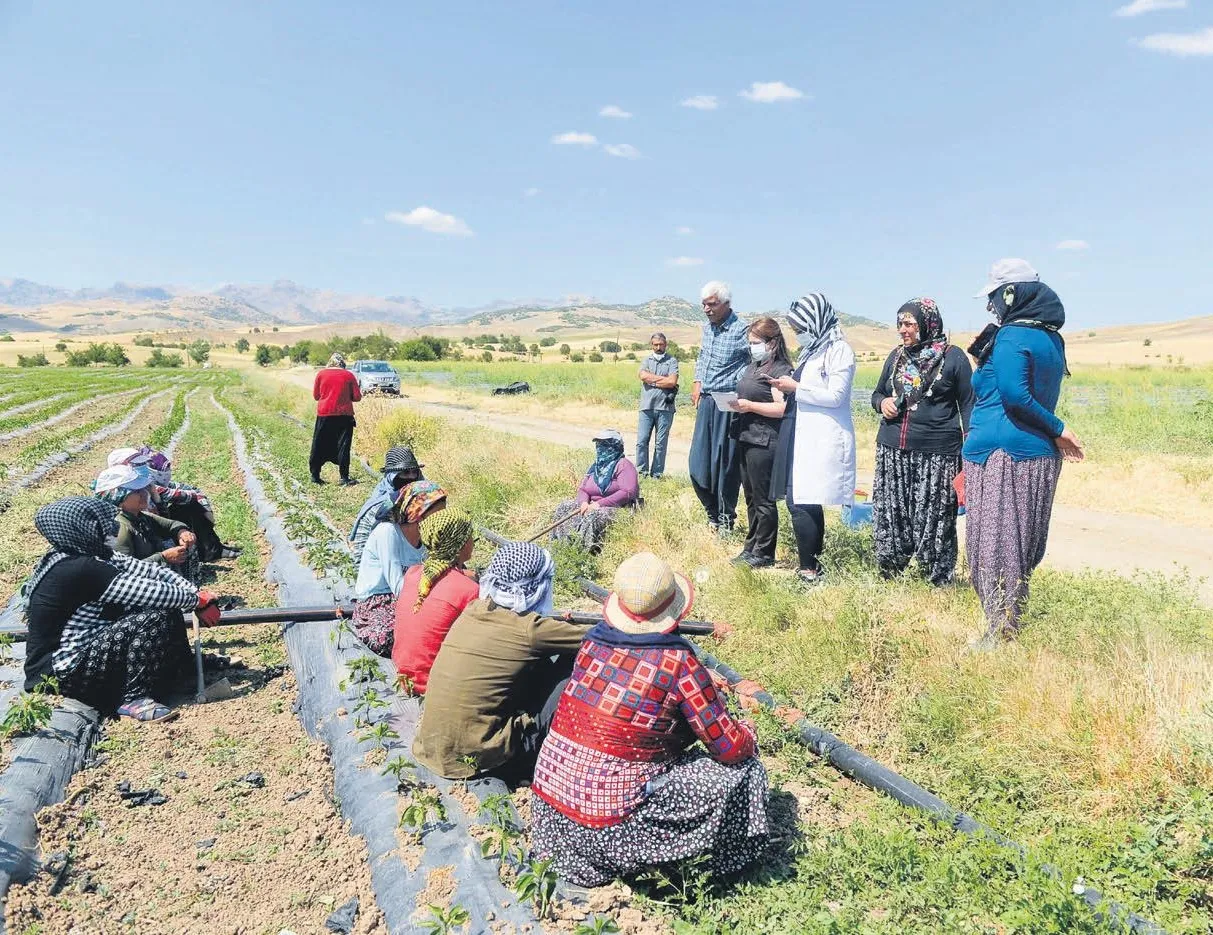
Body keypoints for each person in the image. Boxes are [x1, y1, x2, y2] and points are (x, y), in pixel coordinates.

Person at [531, 551, 769, 887]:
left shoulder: (591, 643)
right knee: (746, 770)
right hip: (608, 829)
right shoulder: (677, 661)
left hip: (551, 821)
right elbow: (729, 747)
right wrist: (748, 731)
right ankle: (723, 866)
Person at [965, 259, 1084, 643]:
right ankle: (1009, 628)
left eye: (995, 297)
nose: (991, 306)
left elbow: (1016, 397)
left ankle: (999, 635)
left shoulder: (1014, 336)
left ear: (1012, 294)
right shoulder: (1050, 337)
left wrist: (1060, 427)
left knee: (996, 547)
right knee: (1020, 544)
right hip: (1033, 454)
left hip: (1002, 454)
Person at [21, 497, 221, 723]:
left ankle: (183, 668)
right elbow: (146, 591)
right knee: (154, 616)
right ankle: (132, 698)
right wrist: (196, 601)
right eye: (100, 524)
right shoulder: (76, 568)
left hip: (88, 648)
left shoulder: (91, 553)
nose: (111, 528)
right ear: (81, 528)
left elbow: (150, 573)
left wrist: (195, 593)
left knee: (165, 605)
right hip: (61, 670)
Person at [413, 541, 584, 780]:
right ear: (539, 586)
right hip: (480, 758)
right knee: (573, 662)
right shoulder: (532, 629)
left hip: (431, 748)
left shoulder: (475, 609)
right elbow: (599, 638)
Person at [869, 298, 975, 585]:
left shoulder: (954, 358)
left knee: (935, 516)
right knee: (892, 511)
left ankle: (937, 578)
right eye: (900, 324)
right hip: (892, 449)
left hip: (938, 453)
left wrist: (971, 450)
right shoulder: (896, 357)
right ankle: (891, 572)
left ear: (927, 324)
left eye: (909, 324)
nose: (903, 330)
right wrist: (883, 403)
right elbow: (876, 395)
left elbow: (968, 406)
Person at [769, 294, 857, 586]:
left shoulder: (839, 350)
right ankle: (810, 566)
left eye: (800, 327)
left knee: (803, 500)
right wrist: (786, 390)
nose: (798, 334)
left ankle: (810, 570)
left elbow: (836, 396)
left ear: (816, 321)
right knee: (799, 498)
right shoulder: (811, 351)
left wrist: (796, 386)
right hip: (800, 429)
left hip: (821, 434)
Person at [351, 480, 447, 655]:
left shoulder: (429, 536)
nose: (442, 520)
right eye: (436, 515)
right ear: (419, 514)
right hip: (379, 599)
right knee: (387, 636)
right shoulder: (387, 532)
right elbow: (397, 586)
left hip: (414, 596)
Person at [730, 317, 795, 569]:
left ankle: (765, 552)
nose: (752, 347)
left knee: (763, 499)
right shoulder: (753, 366)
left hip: (764, 439)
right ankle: (751, 546)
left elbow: (782, 408)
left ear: (772, 342)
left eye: (756, 342)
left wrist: (749, 406)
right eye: (750, 343)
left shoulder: (780, 370)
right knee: (750, 497)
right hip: (746, 436)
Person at [391, 509, 479, 694]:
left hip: (404, 678)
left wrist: (463, 575)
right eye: (469, 535)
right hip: (433, 686)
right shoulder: (469, 591)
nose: (473, 540)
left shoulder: (414, 573)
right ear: (460, 543)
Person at [689, 281, 750, 533]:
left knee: (724, 464)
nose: (706, 308)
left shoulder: (742, 329)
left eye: (711, 304)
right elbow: (704, 357)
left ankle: (724, 520)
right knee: (698, 462)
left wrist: (741, 388)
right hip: (706, 400)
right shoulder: (707, 328)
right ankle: (710, 511)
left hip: (728, 402)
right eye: (703, 304)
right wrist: (697, 381)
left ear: (726, 304)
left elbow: (756, 363)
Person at [108, 446, 240, 561]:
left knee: (187, 510)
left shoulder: (143, 487)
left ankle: (211, 550)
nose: (142, 493)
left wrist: (180, 530)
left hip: (153, 533)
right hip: (145, 548)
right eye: (138, 465)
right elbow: (125, 566)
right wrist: (163, 556)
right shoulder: (121, 497)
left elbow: (161, 520)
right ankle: (209, 551)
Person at [94, 465, 201, 584]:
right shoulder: (118, 529)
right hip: (136, 587)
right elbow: (123, 572)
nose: (144, 493)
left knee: (187, 545)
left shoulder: (138, 516)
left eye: (143, 488)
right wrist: (164, 557)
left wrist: (183, 532)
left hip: (149, 576)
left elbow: (171, 525)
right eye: (136, 491)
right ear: (119, 498)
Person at [550, 429, 639, 552]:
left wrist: (599, 504)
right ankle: (560, 548)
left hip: (618, 508)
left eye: (604, 444)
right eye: (598, 445)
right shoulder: (596, 467)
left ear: (614, 446)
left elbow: (628, 492)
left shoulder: (624, 465)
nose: (600, 448)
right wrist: (584, 503)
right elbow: (583, 489)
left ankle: (584, 553)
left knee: (594, 515)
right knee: (564, 507)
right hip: (592, 506)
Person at [349, 446, 425, 563]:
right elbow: (361, 549)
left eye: (414, 472)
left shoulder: (425, 504)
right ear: (391, 476)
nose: (411, 477)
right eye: (405, 473)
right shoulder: (379, 507)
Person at [310, 352, 362, 486]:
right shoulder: (349, 375)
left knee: (319, 443)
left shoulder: (321, 374)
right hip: (344, 415)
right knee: (344, 445)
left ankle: (315, 475)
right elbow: (357, 397)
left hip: (324, 414)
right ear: (342, 364)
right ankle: (344, 477)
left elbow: (316, 396)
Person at [635, 332, 679, 479]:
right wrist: (663, 380)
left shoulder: (672, 361)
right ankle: (642, 473)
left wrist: (651, 380)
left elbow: (672, 382)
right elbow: (642, 376)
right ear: (651, 345)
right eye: (655, 344)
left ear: (665, 345)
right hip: (646, 407)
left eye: (661, 344)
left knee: (660, 444)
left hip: (665, 409)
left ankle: (657, 475)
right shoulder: (646, 360)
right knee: (642, 441)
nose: (658, 347)